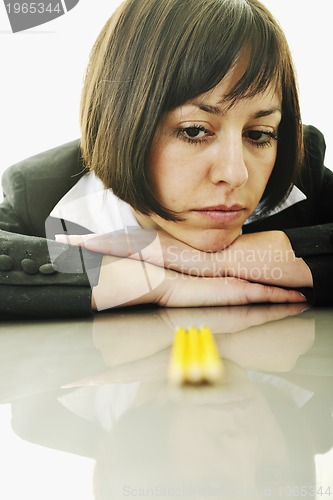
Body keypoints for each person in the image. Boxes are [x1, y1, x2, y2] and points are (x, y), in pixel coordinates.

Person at [1, 0, 332, 318]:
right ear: (122, 122)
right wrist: (145, 281)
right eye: (193, 131)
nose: (234, 173)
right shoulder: (41, 196)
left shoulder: (303, 174)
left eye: (259, 134)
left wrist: (234, 259)